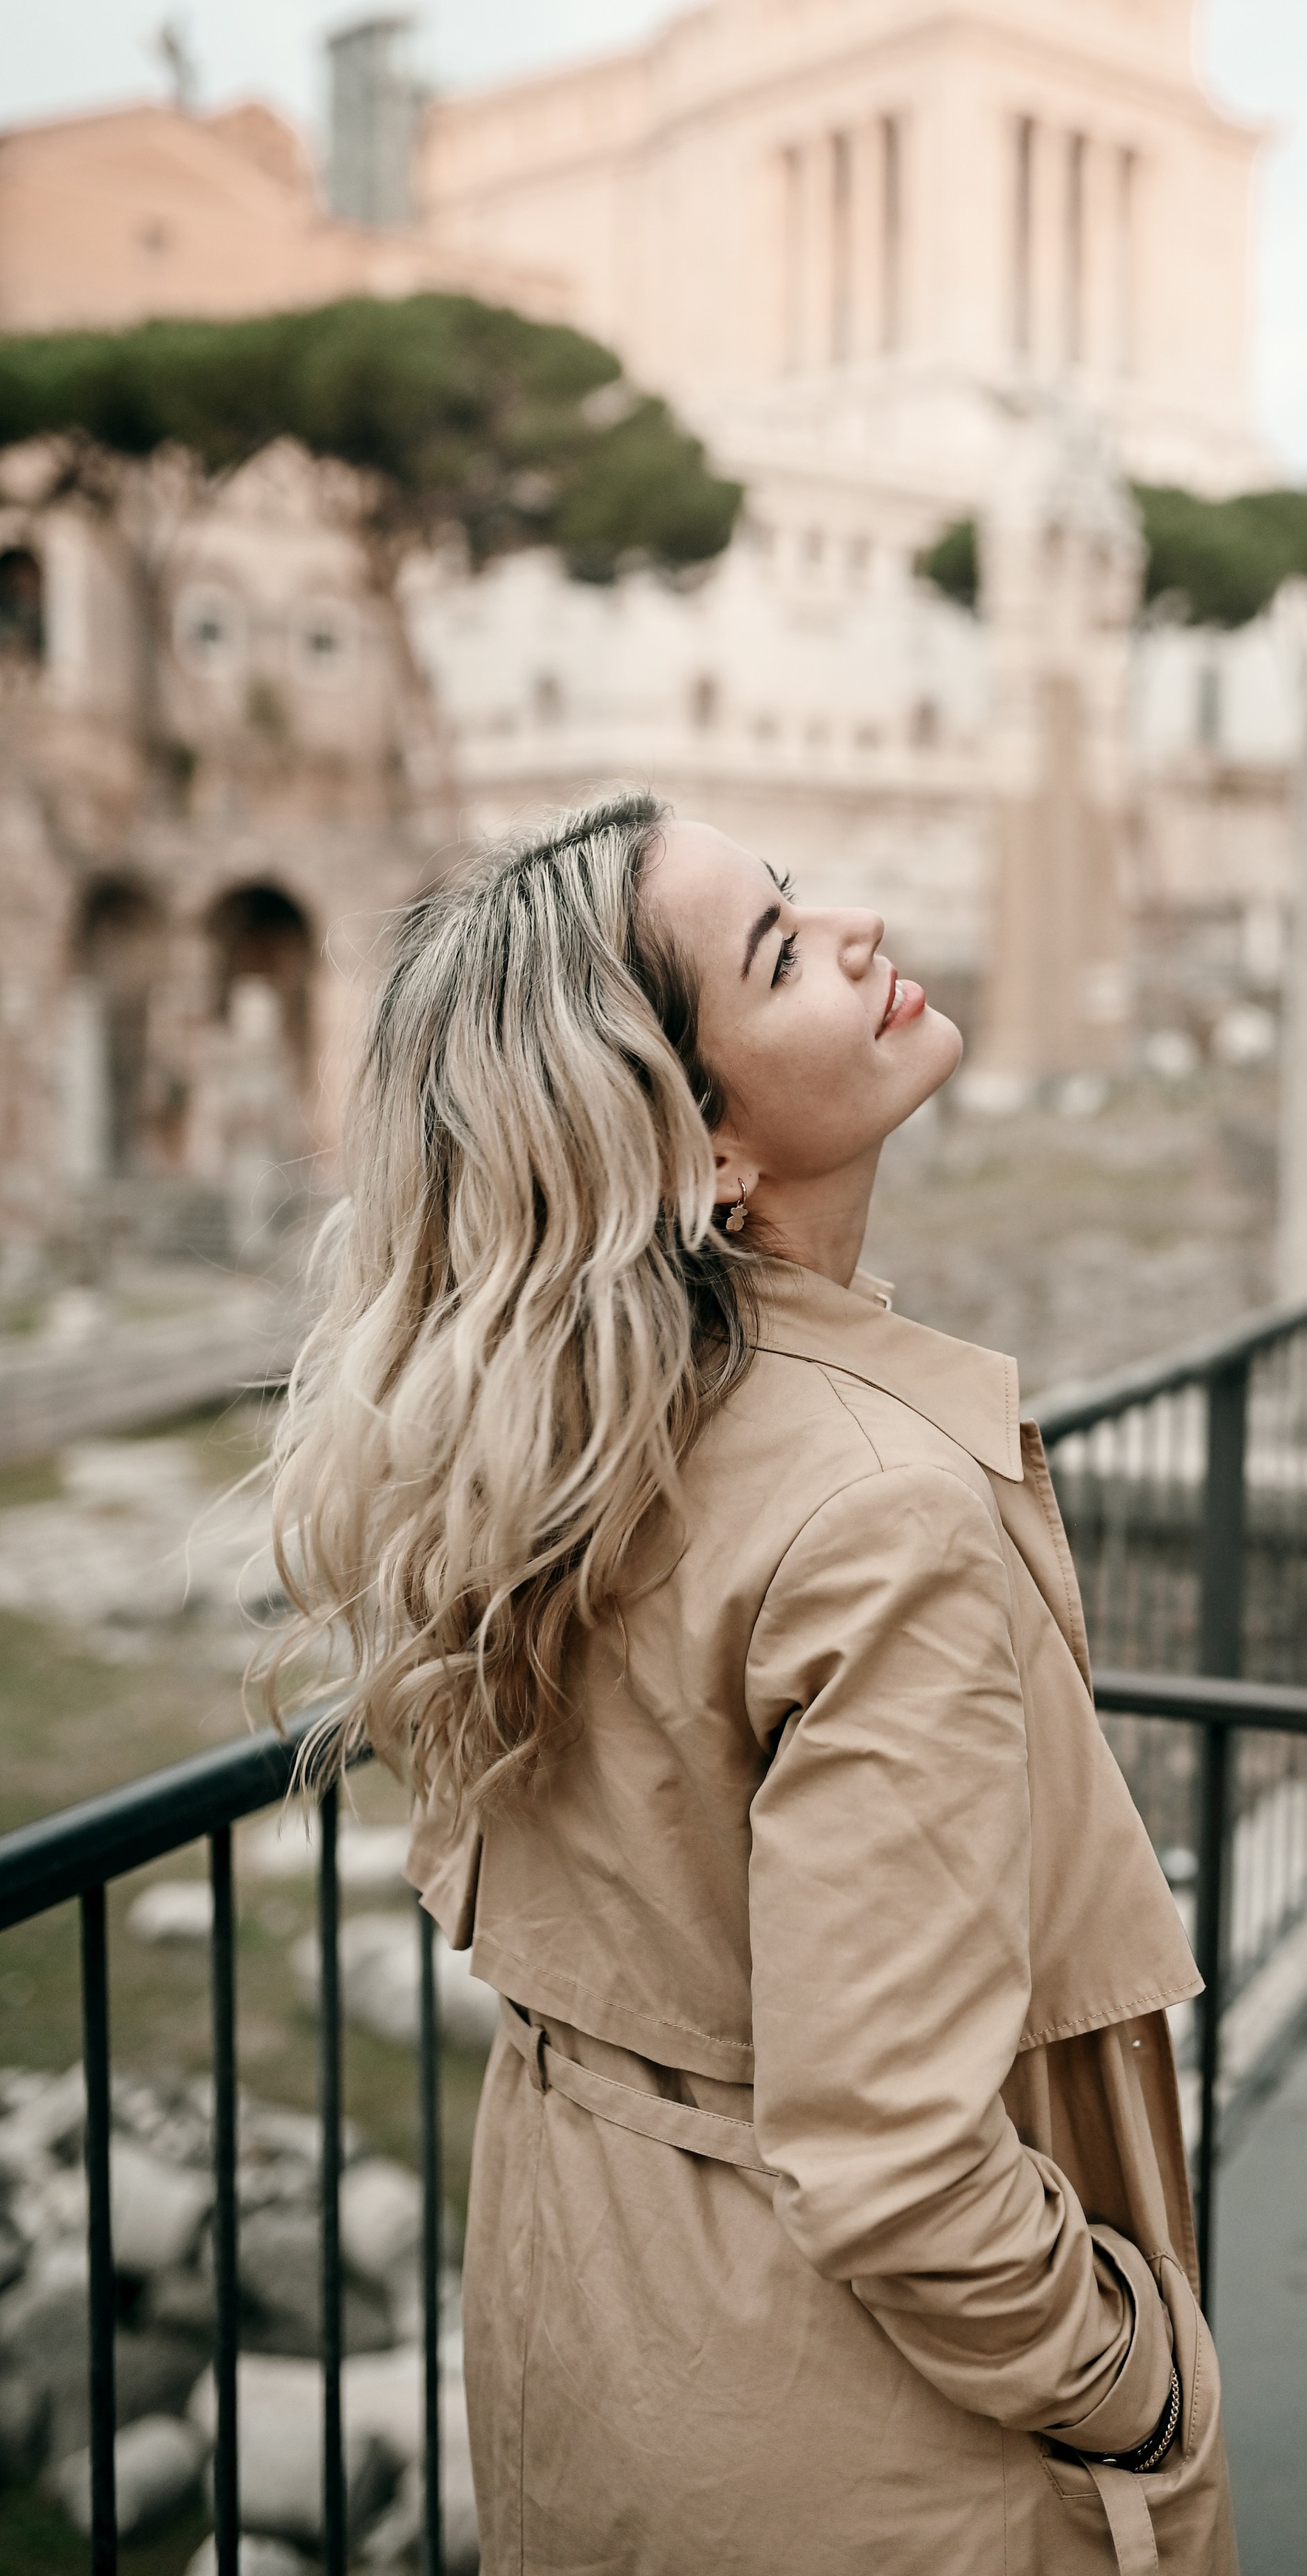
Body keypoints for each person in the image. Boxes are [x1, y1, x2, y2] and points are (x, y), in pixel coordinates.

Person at [270, 792, 1238, 2574]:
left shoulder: (556, 1439)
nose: (856, 927)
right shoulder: (878, 1514)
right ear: (698, 1145)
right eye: (779, 952)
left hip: (589, 2320)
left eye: (790, 898)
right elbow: (898, 2162)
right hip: (855, 2446)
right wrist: (1139, 2384)